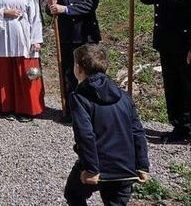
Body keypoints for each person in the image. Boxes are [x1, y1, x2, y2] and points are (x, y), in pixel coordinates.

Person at [64, 44, 149, 206]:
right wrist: (142, 165)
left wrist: (91, 169)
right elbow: (137, 132)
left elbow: (85, 135)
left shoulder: (79, 98)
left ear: (78, 68)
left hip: (98, 167)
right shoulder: (124, 96)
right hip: (125, 168)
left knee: (73, 195)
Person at [129, 0, 191, 142]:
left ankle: (188, 129)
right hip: (166, 44)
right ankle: (179, 127)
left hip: (185, 46)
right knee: (172, 85)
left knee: (186, 86)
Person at [47, 0, 101, 121]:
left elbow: (89, 5)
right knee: (68, 75)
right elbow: (51, 12)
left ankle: (92, 111)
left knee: (90, 74)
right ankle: (70, 111)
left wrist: (65, 9)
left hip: (85, 35)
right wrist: (50, 6)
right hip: (66, 36)